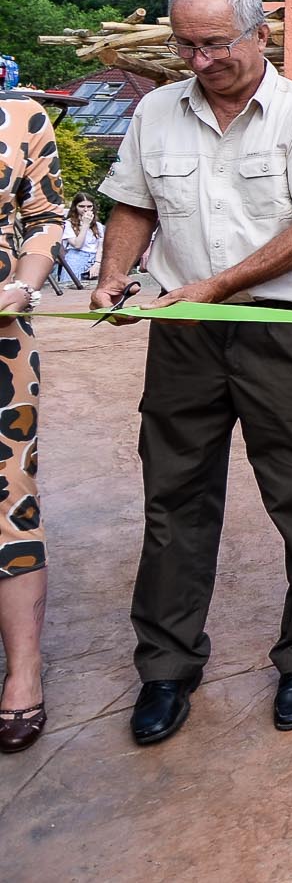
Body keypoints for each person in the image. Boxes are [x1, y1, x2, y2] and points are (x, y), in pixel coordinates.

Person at [92, 0, 292, 746]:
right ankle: (167, 667)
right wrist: (117, 273)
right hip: (184, 332)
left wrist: (214, 284)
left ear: (259, 36)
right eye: (186, 43)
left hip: (285, 330)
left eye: (214, 43)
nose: (199, 59)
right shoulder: (155, 112)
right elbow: (134, 203)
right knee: (173, 496)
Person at [0, 92, 62, 752]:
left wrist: (25, 282)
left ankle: (23, 671)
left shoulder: (22, 116)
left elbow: (44, 217)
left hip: (0, 339)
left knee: (10, 498)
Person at [58, 195, 104, 285]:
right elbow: (77, 245)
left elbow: (101, 246)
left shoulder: (98, 226)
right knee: (71, 287)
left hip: (95, 258)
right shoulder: (68, 224)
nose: (86, 210)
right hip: (76, 258)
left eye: (89, 206)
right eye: (82, 206)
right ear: (75, 207)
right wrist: (85, 225)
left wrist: (97, 263)